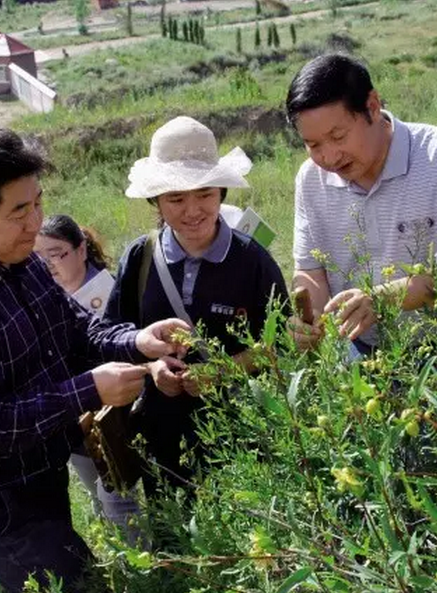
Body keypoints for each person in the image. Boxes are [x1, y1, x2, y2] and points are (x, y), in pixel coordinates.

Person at [0, 127, 188, 592]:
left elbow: (77, 334)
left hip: (41, 475)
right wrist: (90, 388)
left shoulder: (25, 265)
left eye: (38, 203)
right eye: (18, 212)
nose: (36, 223)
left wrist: (138, 342)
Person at [102, 116, 289, 500]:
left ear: (221, 193)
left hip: (240, 436)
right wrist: (151, 365)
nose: (192, 211)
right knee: (173, 538)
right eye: (176, 198)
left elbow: (284, 346)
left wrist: (222, 371)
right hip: (159, 437)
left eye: (204, 195)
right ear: (156, 202)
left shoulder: (252, 260)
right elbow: (109, 333)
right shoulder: (140, 257)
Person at [285, 54, 437, 353]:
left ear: (372, 106)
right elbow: (310, 270)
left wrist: (383, 298)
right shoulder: (310, 179)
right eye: (313, 145)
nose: (329, 158)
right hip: (361, 350)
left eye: (338, 136)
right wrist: (311, 320)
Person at [35, 214, 140, 537]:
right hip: (72, 417)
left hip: (116, 415)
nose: (48, 264)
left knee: (119, 497)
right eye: (38, 257)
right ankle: (116, 549)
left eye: (56, 254)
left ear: (81, 250)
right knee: (94, 491)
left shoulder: (110, 292)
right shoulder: (43, 297)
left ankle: (144, 566)